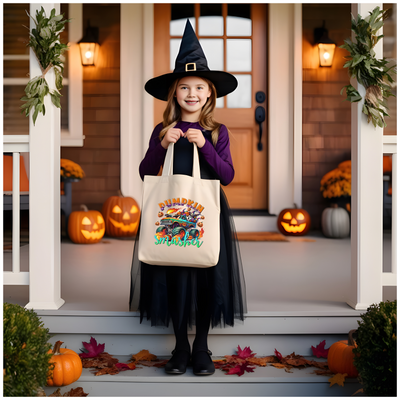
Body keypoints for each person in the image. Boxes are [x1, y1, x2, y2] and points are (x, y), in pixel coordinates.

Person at [130, 20, 246, 376]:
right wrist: (164, 143)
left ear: (210, 93)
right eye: (184, 87)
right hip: (169, 213)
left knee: (208, 279)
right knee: (175, 278)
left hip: (206, 213)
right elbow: (146, 173)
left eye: (199, 87)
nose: (192, 94)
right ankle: (180, 345)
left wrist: (206, 147)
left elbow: (226, 175)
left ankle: (202, 347)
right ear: (174, 94)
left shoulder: (217, 131)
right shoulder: (163, 131)